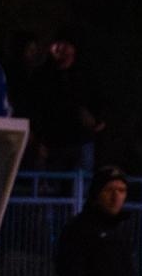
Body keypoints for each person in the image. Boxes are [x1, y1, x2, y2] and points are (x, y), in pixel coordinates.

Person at [27, 31, 105, 171]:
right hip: (52, 143)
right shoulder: (41, 75)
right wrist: (37, 139)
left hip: (80, 141)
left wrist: (97, 119)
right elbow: (34, 108)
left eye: (65, 45)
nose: (60, 49)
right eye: (57, 44)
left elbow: (99, 101)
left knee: (80, 186)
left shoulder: (85, 75)